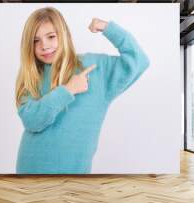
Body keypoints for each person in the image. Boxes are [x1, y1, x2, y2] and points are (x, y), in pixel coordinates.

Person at [15, 7, 150, 174]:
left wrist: (108, 28)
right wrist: (67, 90)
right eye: (36, 41)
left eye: (51, 36)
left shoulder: (94, 67)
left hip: (74, 173)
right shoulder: (32, 75)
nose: (44, 46)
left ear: (63, 35)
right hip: (31, 169)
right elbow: (32, 121)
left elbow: (139, 60)